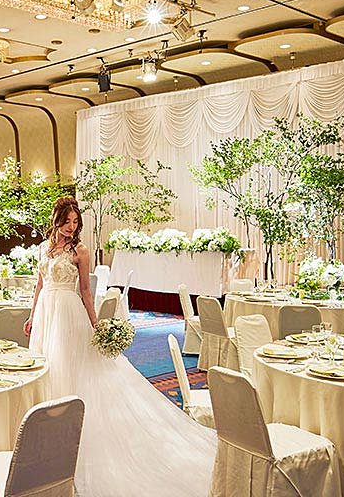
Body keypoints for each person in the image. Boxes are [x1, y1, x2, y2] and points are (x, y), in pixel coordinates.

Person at [25, 196, 216, 496]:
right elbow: (39, 285)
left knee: (67, 366)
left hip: (67, 313)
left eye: (75, 222)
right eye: (66, 221)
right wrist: (32, 314)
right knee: (46, 365)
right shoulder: (43, 248)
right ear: (56, 219)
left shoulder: (80, 251)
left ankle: (67, 431)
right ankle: (44, 431)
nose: (71, 227)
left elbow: (86, 291)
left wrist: (95, 324)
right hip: (46, 314)